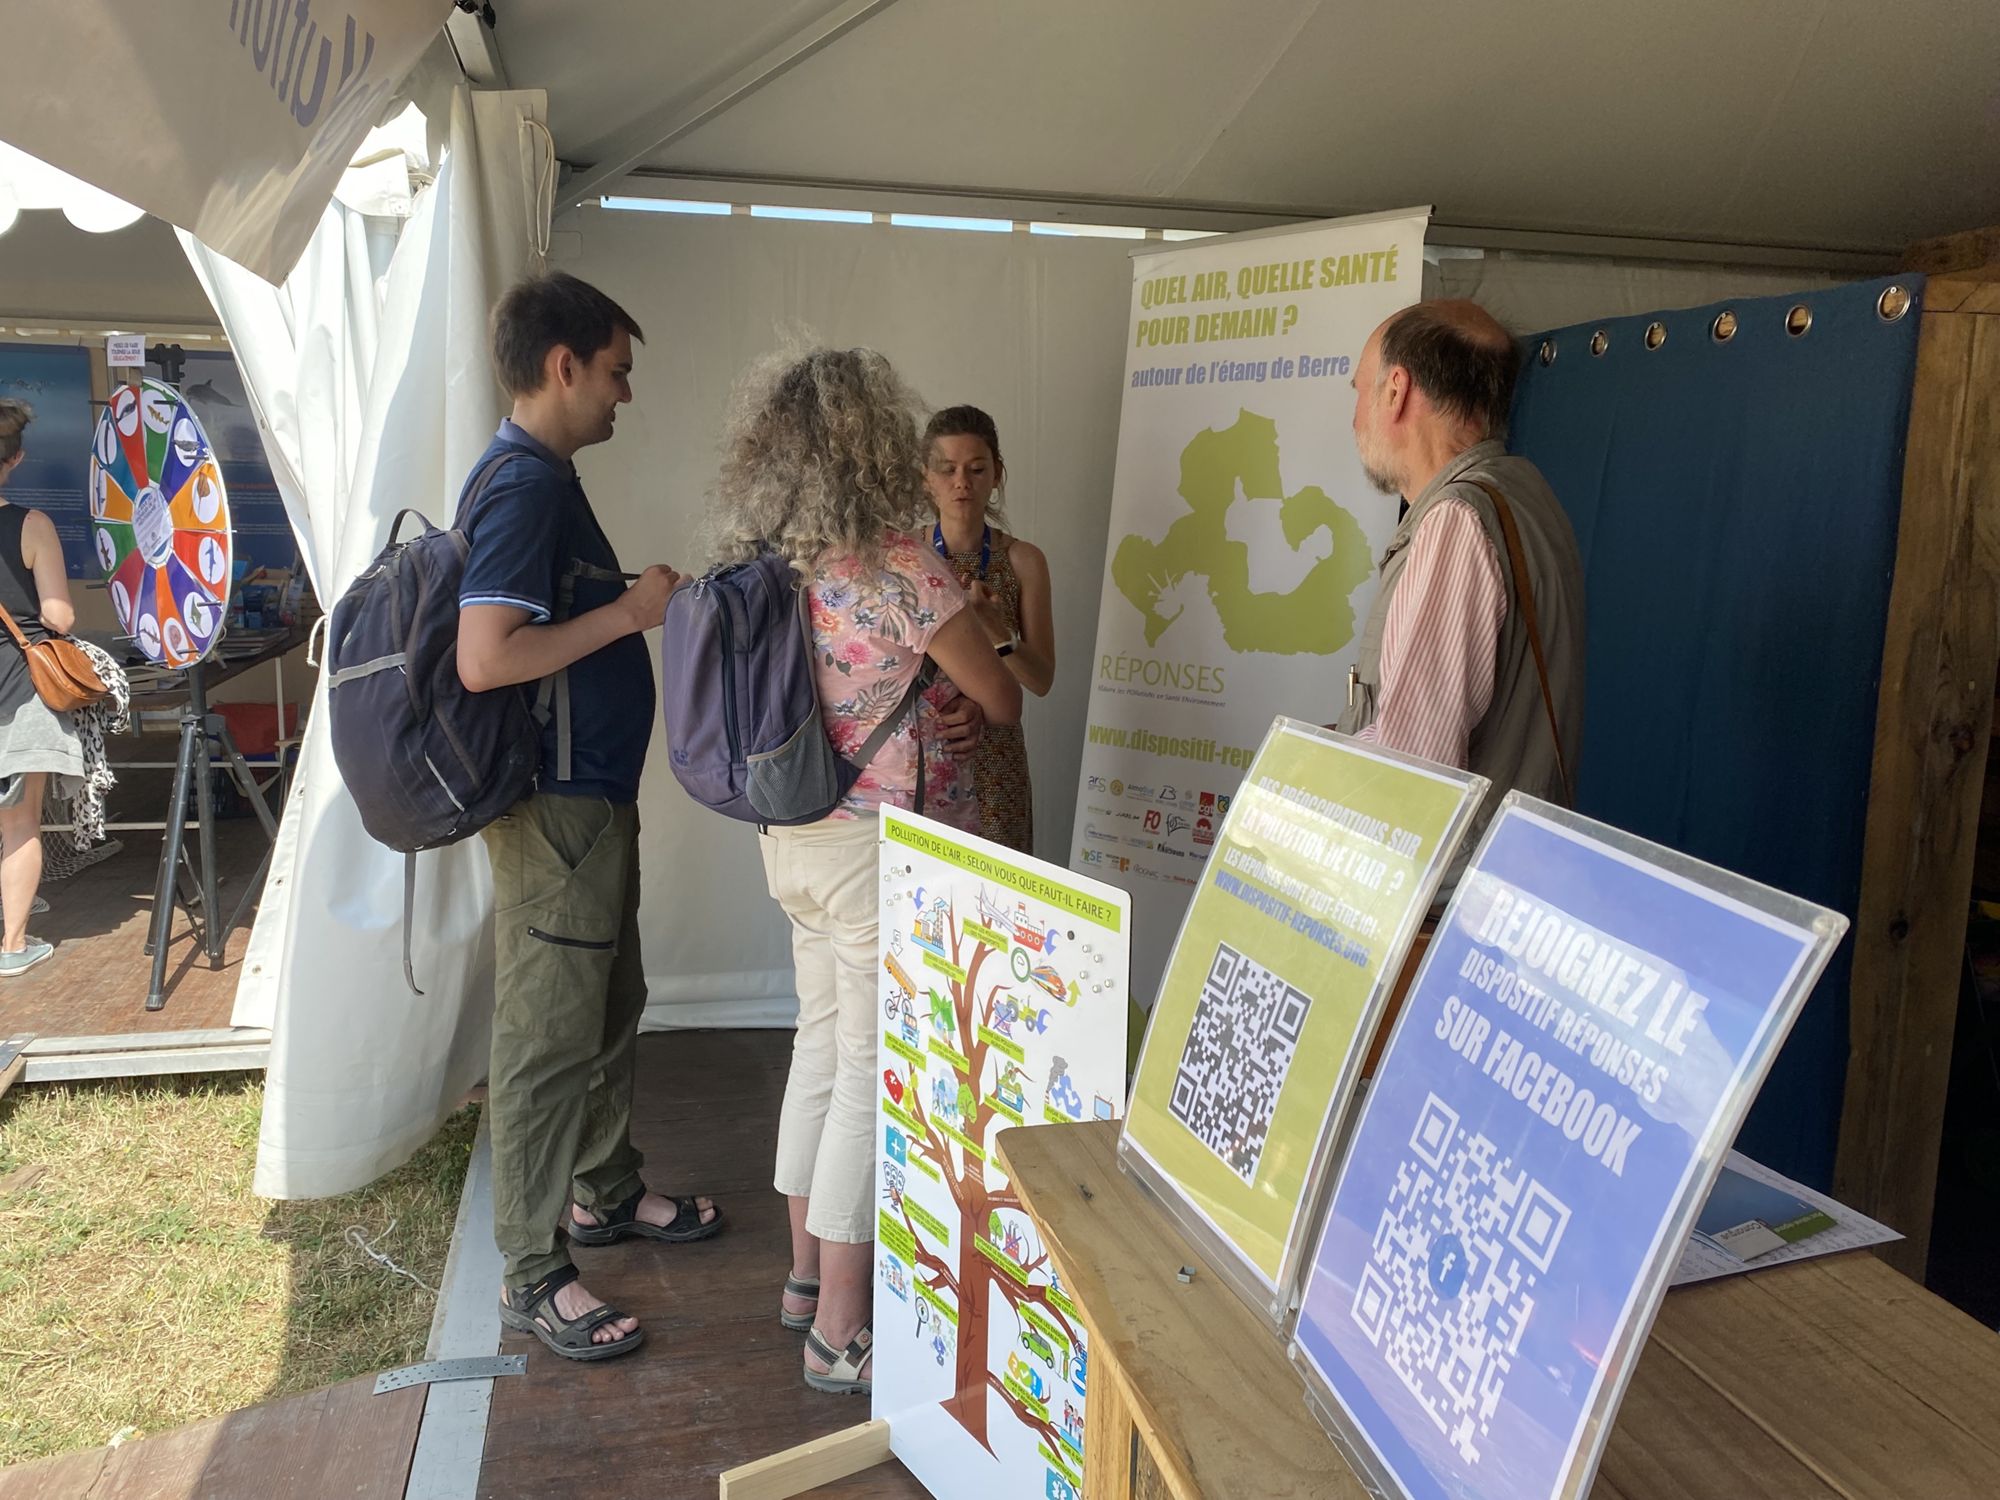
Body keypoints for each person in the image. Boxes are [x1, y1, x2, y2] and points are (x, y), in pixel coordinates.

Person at [713, 348, 1021, 1394]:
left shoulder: (767, 556)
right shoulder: (902, 565)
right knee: (865, 1082)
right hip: (869, 850)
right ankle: (840, 1330)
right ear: (881, 444)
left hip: (788, 835)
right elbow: (1004, 700)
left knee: (818, 1050)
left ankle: (804, 1274)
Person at [457, 272, 721, 1363]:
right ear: (562, 365)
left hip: (587, 806)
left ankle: (603, 1196)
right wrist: (629, 612)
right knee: (546, 1038)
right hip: (557, 814)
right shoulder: (520, 484)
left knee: (608, 1008)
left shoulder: (542, 478)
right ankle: (528, 1273)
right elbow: (486, 660)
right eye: (615, 372)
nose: (623, 395)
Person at [1337, 299, 1585, 1064]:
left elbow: (1412, 778)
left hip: (1443, 938)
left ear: (1397, 391)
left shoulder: (1455, 522)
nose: (1354, 418)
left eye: (1357, 390)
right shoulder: (1528, 495)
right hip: (1503, 919)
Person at [922, 406, 1054, 854]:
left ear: (997, 473)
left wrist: (1001, 633)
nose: (962, 482)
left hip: (997, 762)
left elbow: (1041, 680)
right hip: (927, 754)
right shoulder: (903, 557)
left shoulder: (1023, 561)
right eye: (948, 469)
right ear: (925, 477)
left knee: (999, 907)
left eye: (977, 469)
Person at [0, 399, 78, 976]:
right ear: (16, 458)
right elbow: (60, 617)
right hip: (16, 687)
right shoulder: (31, 525)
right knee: (20, 820)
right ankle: (14, 945)